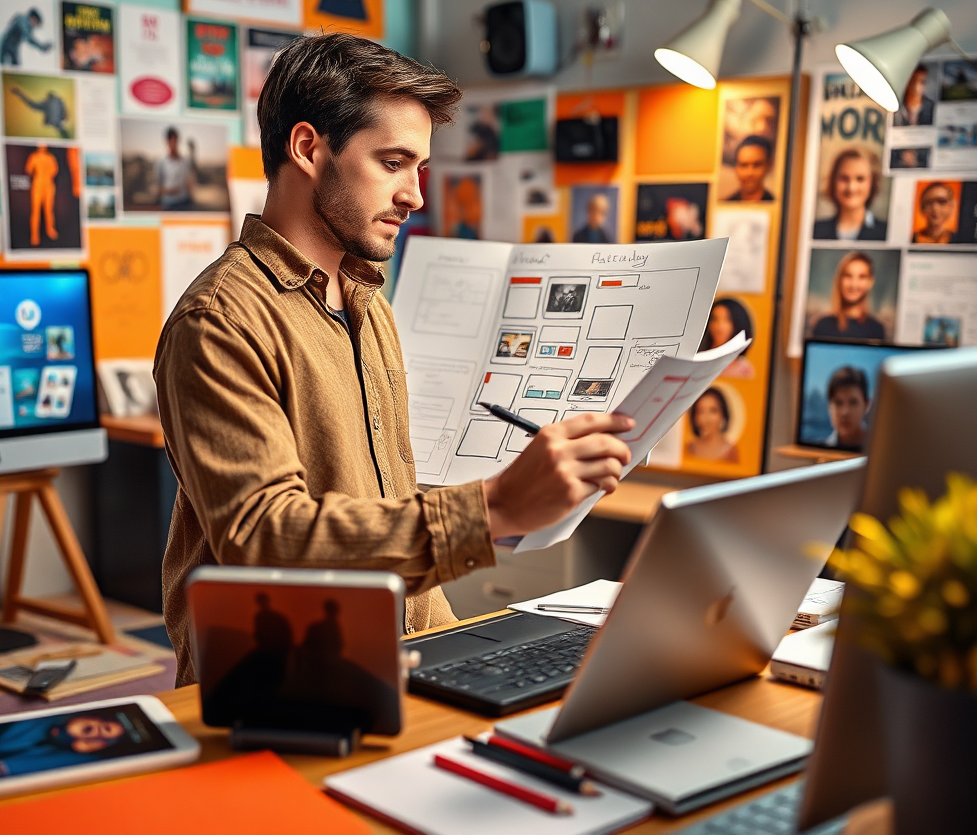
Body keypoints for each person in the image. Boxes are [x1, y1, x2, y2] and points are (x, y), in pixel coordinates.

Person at [154, 33, 635, 685]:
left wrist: (465, 649)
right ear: (308, 148)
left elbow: (385, 505)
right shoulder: (217, 321)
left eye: (420, 168)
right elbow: (267, 538)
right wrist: (493, 508)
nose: (415, 195)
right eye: (393, 162)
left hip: (403, 660)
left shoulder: (367, 303)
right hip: (283, 689)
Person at [812, 148, 887, 241]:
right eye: (844, 178)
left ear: (872, 183)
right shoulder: (815, 231)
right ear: (833, 181)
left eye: (860, 179)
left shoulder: (885, 232)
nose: (851, 188)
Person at [810, 251, 887, 341]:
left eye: (862, 277)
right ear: (839, 280)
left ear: (870, 281)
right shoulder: (822, 325)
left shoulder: (876, 329)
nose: (854, 285)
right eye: (848, 276)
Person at [698, 297, 754, 379]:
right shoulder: (698, 360)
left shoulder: (744, 370)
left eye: (727, 320)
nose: (719, 327)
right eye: (715, 319)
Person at [685, 387, 739, 463]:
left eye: (713, 411)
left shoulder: (731, 452)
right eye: (700, 411)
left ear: (723, 415)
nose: (706, 418)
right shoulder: (689, 448)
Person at [823, 366, 870, 450]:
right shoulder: (821, 451)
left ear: (866, 405)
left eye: (853, 402)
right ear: (829, 407)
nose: (845, 412)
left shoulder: (882, 449)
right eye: (838, 403)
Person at [24, 144, 59, 245]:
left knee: (49, 209)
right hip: (38, 183)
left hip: (47, 183)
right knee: (36, 210)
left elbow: (54, 170)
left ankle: (50, 229)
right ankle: (34, 235)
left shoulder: (50, 157)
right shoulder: (34, 157)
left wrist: (45, 174)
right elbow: (29, 169)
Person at [725, 135, 775, 202]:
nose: (749, 173)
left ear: (768, 166)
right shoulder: (727, 204)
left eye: (756, 165)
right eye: (743, 165)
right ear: (736, 167)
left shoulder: (775, 203)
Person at [157, 127, 193, 210]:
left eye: (175, 140)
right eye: (170, 140)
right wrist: (169, 191)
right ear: (167, 142)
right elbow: (158, 188)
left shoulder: (185, 162)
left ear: (178, 141)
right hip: (168, 204)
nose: (173, 144)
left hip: (184, 202)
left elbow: (189, 183)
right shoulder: (161, 162)